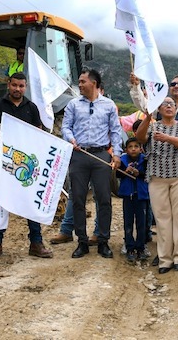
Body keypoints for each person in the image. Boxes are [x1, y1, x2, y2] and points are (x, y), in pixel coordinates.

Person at [0, 72, 52, 259]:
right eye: (14, 85)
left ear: (25, 87)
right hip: (4, 161)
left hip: (26, 163)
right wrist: (8, 143)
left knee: (30, 203)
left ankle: (36, 243)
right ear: (9, 85)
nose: (17, 89)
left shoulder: (31, 107)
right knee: (0, 202)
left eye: (21, 86)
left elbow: (38, 132)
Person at [61, 68, 122, 259]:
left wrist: (117, 154)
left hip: (101, 156)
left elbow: (115, 131)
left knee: (104, 198)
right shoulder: (73, 104)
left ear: (93, 83)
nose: (79, 85)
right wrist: (71, 139)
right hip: (78, 155)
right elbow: (65, 126)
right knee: (78, 198)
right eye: (79, 81)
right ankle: (82, 241)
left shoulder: (109, 105)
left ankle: (103, 241)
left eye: (82, 81)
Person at [136, 97, 178, 273]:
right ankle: (165, 259)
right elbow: (139, 137)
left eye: (172, 104)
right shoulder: (152, 126)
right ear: (158, 109)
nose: (169, 106)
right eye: (165, 104)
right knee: (162, 219)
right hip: (157, 176)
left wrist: (167, 138)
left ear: (176, 108)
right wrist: (147, 117)